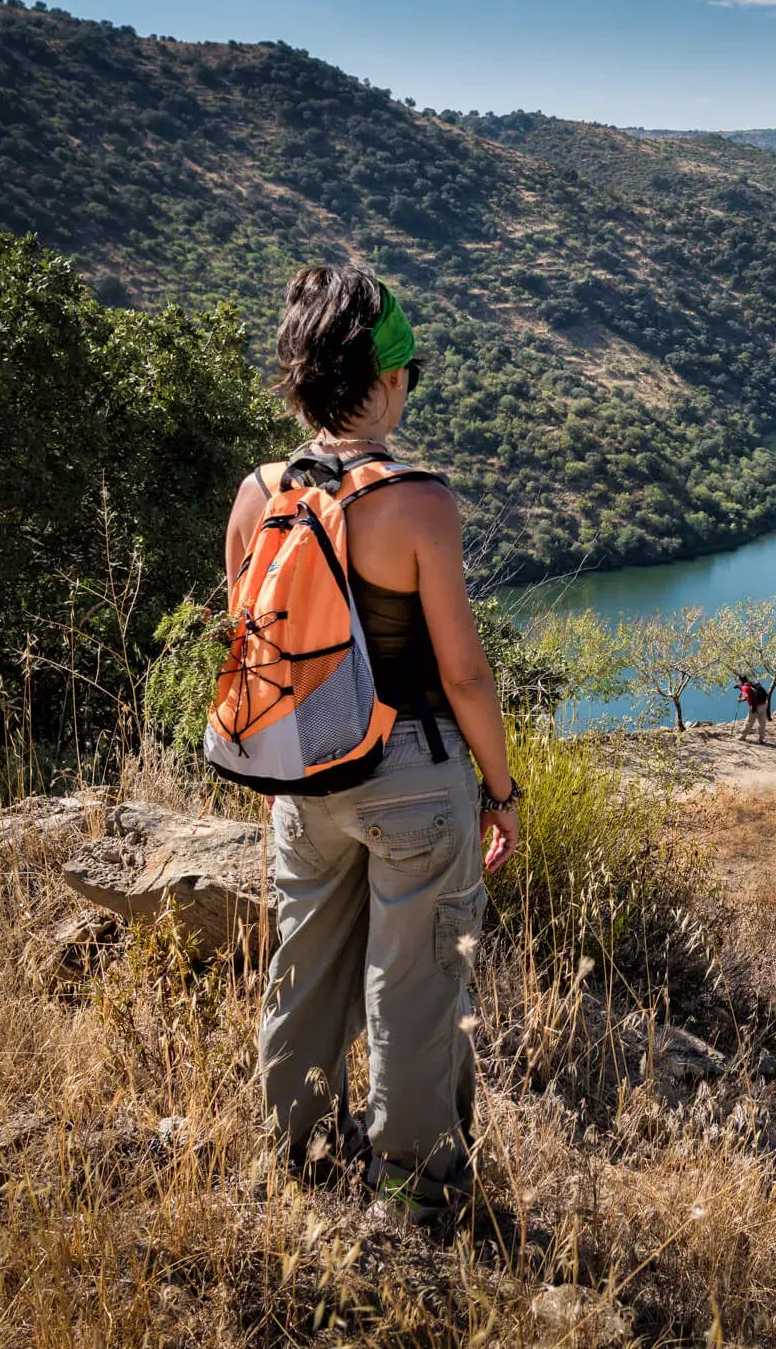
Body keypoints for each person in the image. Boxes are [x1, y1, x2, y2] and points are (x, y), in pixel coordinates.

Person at [226, 265, 520, 1224]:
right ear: (389, 381)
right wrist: (502, 789)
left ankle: (298, 1157)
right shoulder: (418, 502)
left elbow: (258, 635)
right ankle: (417, 1192)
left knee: (302, 969)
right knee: (416, 987)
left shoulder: (258, 492)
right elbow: (466, 674)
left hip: (303, 778)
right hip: (412, 779)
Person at [736, 674, 769, 743]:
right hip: (764, 704)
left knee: (749, 722)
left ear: (740, 681)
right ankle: (761, 739)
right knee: (762, 723)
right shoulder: (751, 684)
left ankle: (742, 737)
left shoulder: (745, 688)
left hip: (756, 707)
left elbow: (747, 697)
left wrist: (740, 699)